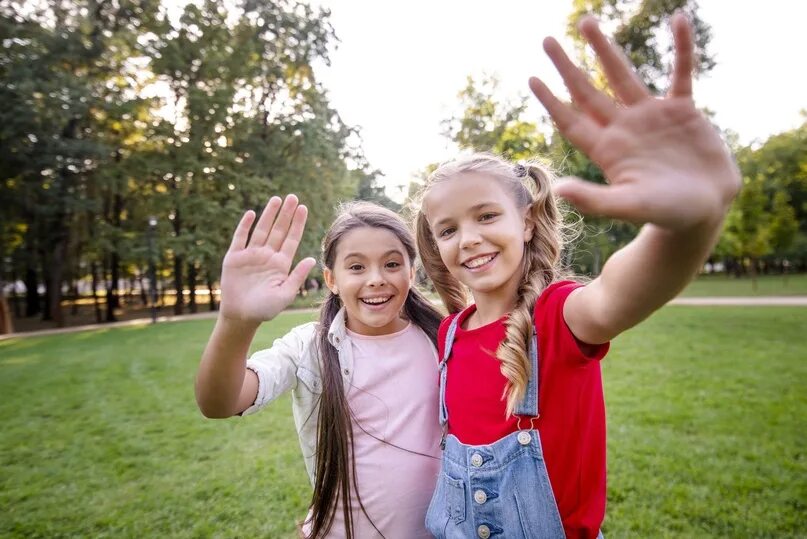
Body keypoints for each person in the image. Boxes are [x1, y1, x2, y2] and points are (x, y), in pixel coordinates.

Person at [414, 14, 740, 539]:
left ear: (526, 219)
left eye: (487, 216)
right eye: (447, 229)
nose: (468, 238)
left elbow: (621, 291)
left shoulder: (559, 315)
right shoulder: (450, 334)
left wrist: (689, 225)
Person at [195, 198, 444, 538]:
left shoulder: (443, 338)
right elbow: (220, 403)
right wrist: (236, 321)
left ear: (411, 273)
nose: (375, 279)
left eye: (391, 264)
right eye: (356, 267)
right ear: (331, 279)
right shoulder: (308, 347)